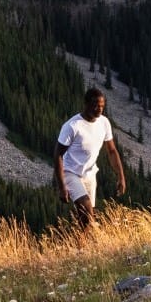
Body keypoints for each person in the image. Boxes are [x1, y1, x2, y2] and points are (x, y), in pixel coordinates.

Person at [52, 87, 128, 232]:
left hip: (90, 174)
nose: (99, 109)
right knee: (86, 209)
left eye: (102, 106)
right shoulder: (72, 126)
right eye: (95, 105)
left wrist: (121, 176)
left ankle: (82, 249)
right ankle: (82, 248)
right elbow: (58, 155)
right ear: (86, 104)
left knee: (87, 217)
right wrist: (62, 186)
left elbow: (112, 151)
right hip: (70, 172)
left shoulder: (104, 122)